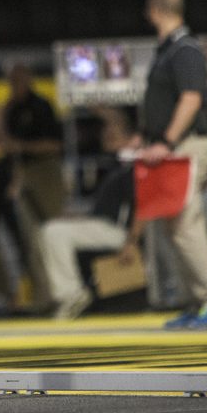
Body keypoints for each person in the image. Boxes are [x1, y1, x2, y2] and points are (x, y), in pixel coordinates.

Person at [117, 0, 207, 329]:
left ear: (156, 10)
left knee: (184, 221)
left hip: (186, 146)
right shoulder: (170, 50)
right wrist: (146, 137)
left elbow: (192, 99)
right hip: (172, 146)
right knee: (174, 224)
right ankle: (196, 301)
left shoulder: (184, 49)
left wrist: (166, 142)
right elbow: (169, 102)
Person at [39, 108, 136, 320]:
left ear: (133, 138)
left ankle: (71, 294)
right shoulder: (108, 163)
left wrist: (132, 241)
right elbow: (102, 211)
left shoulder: (132, 163)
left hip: (119, 232)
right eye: (106, 130)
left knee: (53, 232)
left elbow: (142, 209)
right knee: (54, 228)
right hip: (103, 225)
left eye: (113, 132)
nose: (106, 134)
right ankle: (71, 295)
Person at [0, 62, 66, 309]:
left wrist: (22, 147)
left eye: (18, 78)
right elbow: (5, 146)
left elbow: (56, 145)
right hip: (23, 173)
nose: (14, 84)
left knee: (55, 232)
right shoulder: (11, 109)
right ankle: (43, 296)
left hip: (45, 171)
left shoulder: (42, 105)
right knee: (30, 238)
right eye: (10, 80)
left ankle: (65, 291)